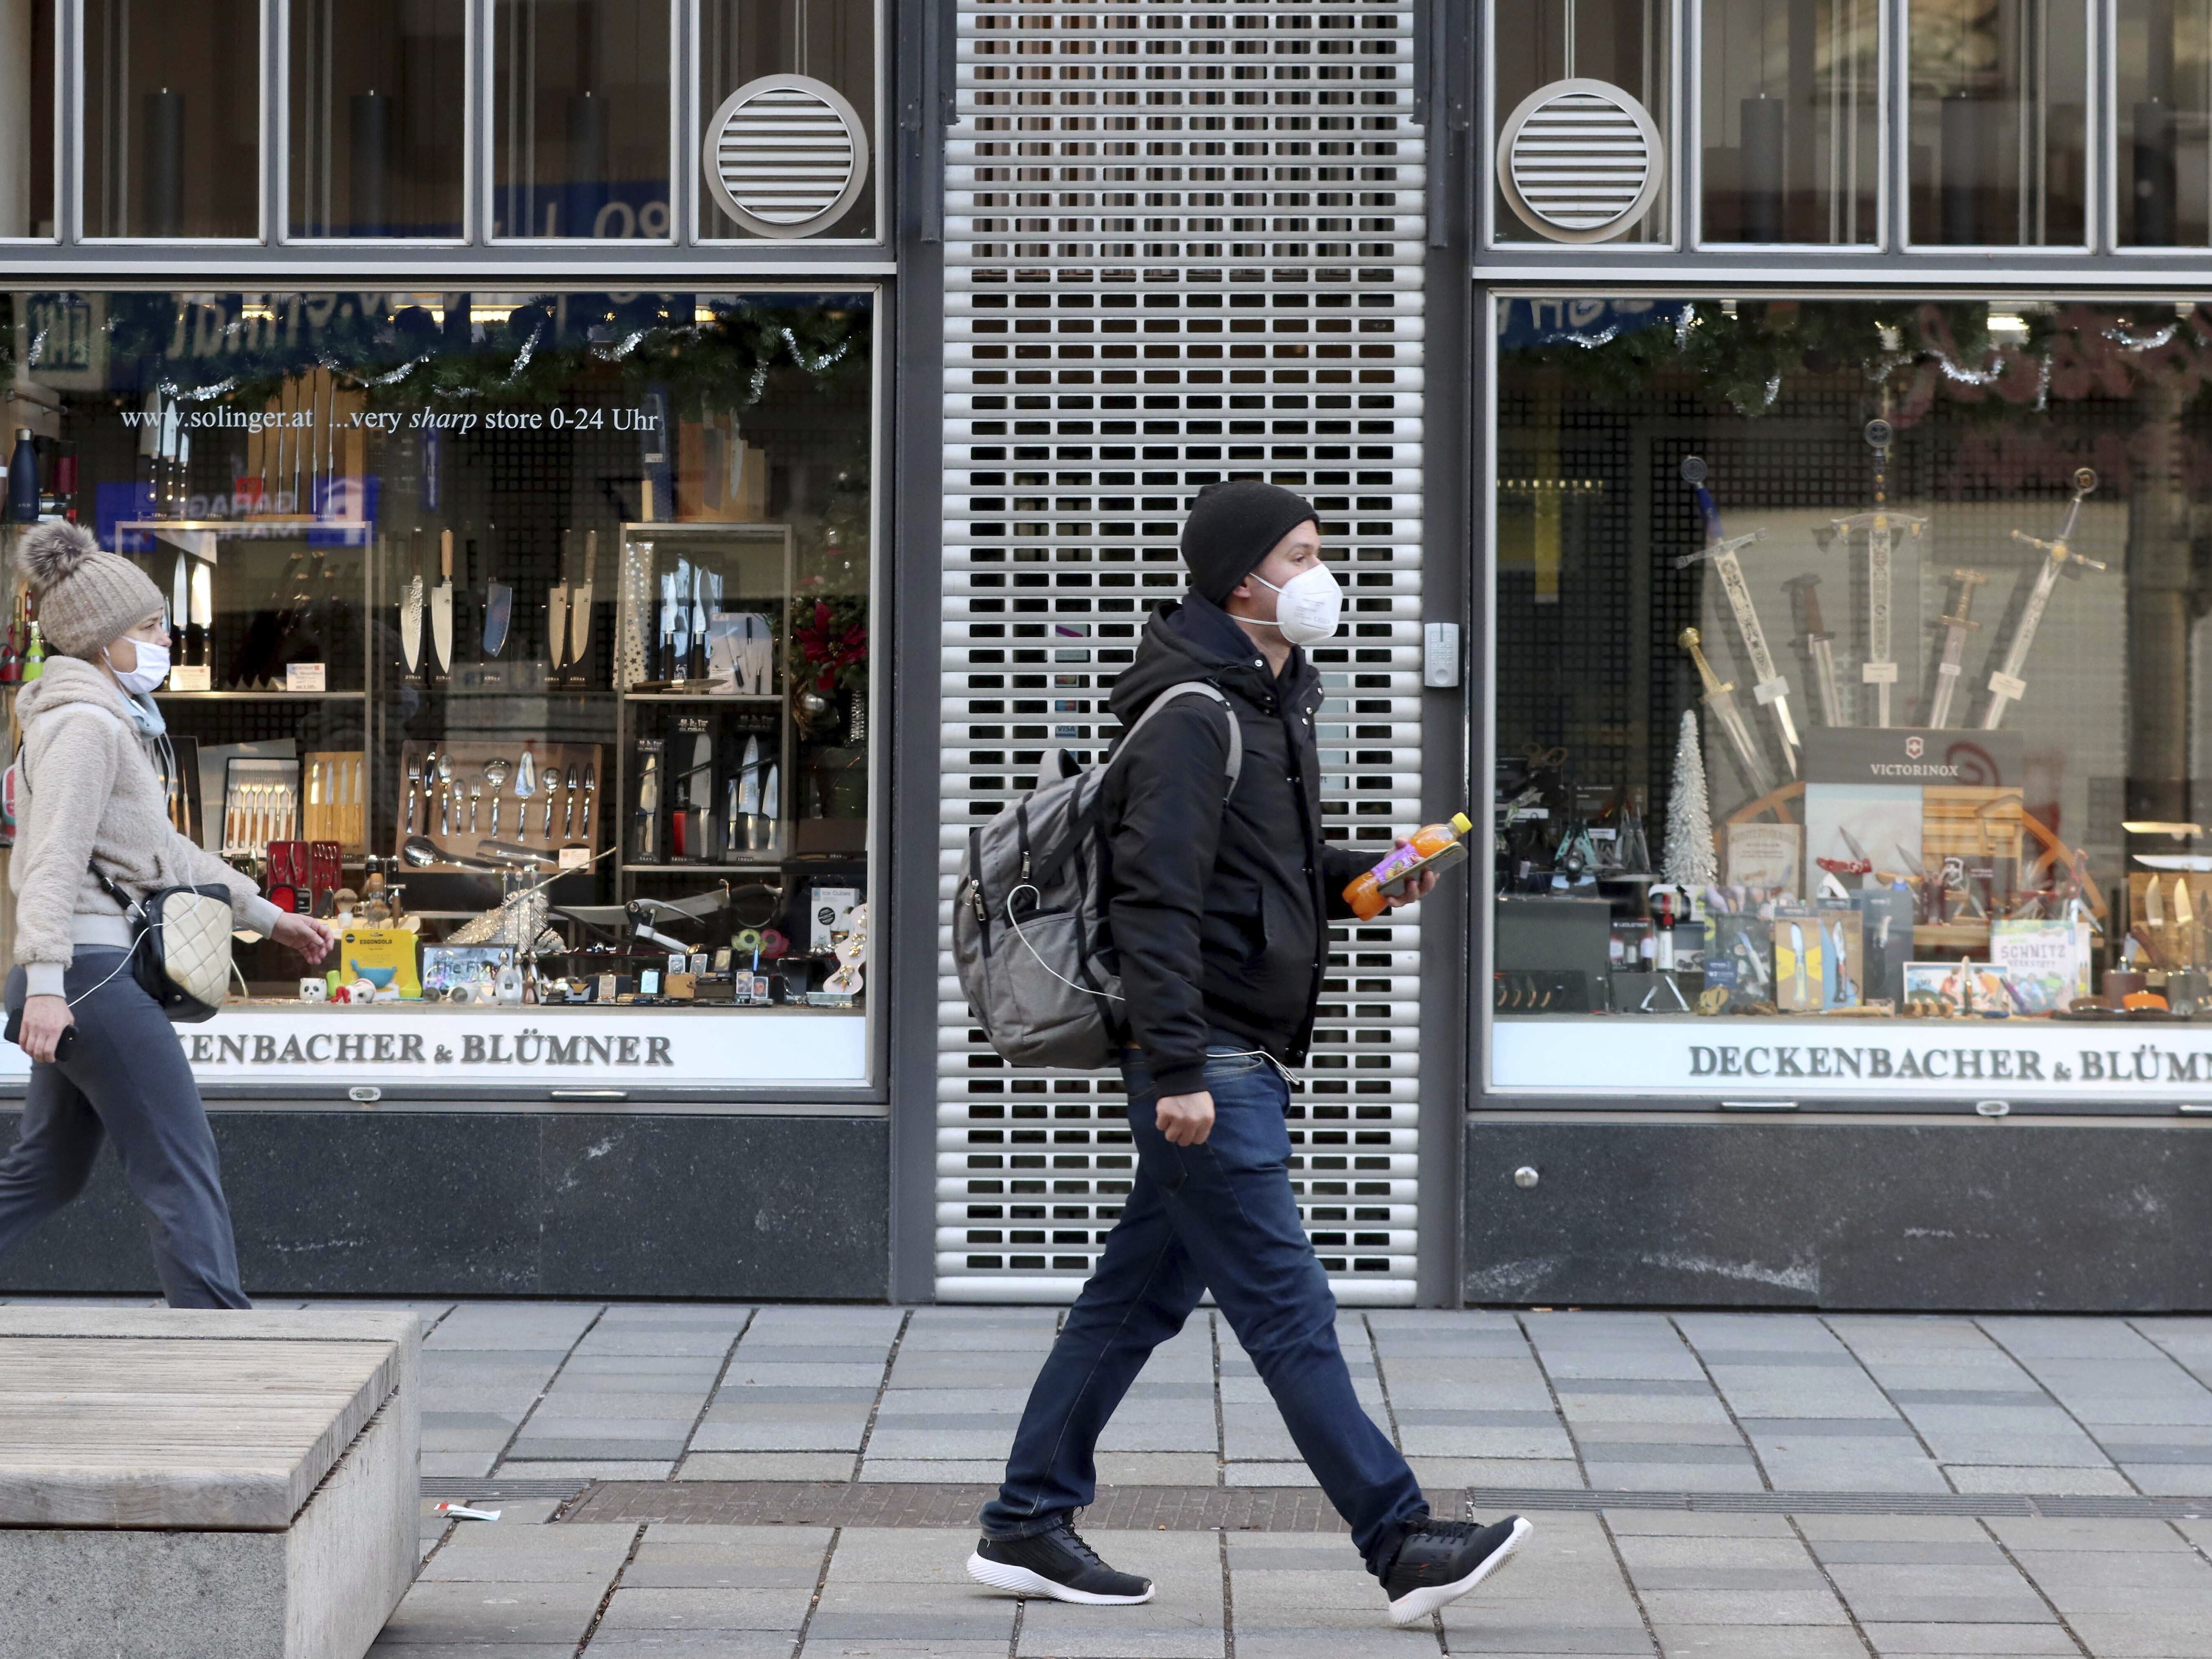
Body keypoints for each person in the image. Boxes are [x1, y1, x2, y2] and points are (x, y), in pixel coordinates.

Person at [966, 481, 1531, 1626]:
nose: (1324, 573)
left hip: (1235, 1044)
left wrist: (1364, 876)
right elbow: (1154, 900)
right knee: (1286, 1306)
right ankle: (1401, 1535)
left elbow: (1258, 866)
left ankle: (1026, 1517)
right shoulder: (1190, 713)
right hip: (1209, 1054)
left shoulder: (1271, 699)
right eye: (1304, 553)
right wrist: (1174, 1069)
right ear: (1243, 581)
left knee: (1132, 1302)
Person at [0, 520, 337, 1308]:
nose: (164, 640)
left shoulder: (110, 723)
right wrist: (45, 980)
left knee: (45, 1172)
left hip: (80, 975)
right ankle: (218, 1343)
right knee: (179, 1162)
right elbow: (50, 857)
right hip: (85, 976)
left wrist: (267, 917)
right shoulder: (85, 728)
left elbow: (165, 852)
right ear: (103, 640)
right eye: (150, 628)